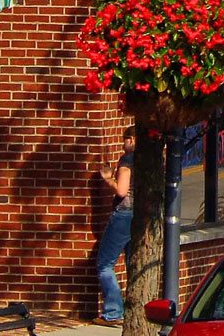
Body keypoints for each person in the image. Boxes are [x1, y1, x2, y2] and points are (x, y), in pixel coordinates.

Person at [93, 131, 135, 326]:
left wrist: (108, 178)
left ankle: (113, 312)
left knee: (104, 263)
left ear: (132, 140)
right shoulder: (152, 159)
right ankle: (133, 309)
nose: (122, 143)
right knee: (132, 262)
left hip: (124, 215)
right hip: (140, 216)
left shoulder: (127, 160)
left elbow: (121, 190)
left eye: (124, 139)